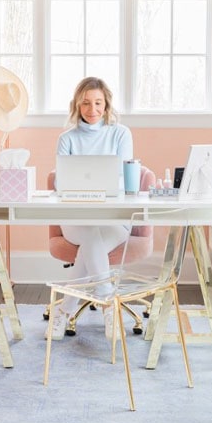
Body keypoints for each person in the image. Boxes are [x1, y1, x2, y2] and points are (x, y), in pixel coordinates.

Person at [48, 77, 133, 341]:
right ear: (77, 105)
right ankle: (108, 304)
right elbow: (61, 182)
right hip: (75, 219)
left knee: (91, 240)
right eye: (85, 103)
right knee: (89, 233)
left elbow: (122, 177)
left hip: (114, 220)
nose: (92, 109)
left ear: (106, 104)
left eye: (98, 102)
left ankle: (63, 311)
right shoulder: (67, 139)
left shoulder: (121, 133)